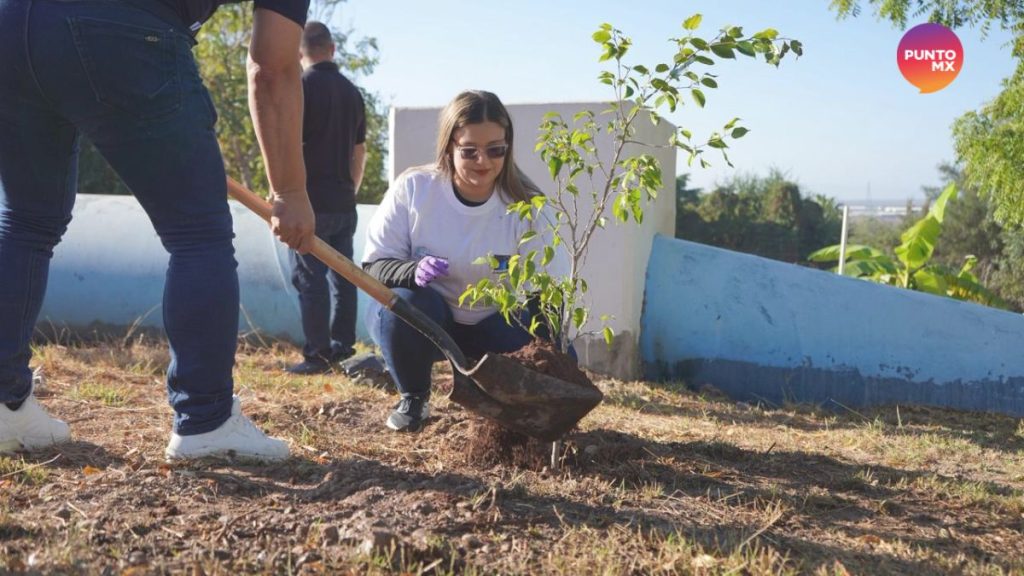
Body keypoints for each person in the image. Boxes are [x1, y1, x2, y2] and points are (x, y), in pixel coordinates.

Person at [0, 0, 315, 461]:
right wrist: (290, 190)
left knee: (25, 222)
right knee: (198, 232)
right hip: (120, 27)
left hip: (11, 23)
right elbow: (273, 64)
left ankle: (5, 405)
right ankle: (206, 420)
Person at [362, 90, 566, 433]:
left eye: (495, 150)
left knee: (538, 335)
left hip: (493, 323)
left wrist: (554, 363)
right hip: (430, 320)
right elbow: (374, 266)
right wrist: (411, 272)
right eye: (469, 151)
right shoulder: (415, 189)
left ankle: (504, 409)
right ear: (449, 146)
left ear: (508, 147)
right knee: (410, 302)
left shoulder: (528, 207)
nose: (483, 162)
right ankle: (414, 396)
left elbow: (547, 293)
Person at [286, 21, 367, 375]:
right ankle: (344, 348)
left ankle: (317, 355)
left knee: (310, 278)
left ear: (299, 52)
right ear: (332, 49)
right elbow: (359, 150)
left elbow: (288, 146)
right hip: (343, 199)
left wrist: (284, 194)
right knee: (344, 274)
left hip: (309, 201)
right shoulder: (352, 92)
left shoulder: (300, 87)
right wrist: (352, 188)